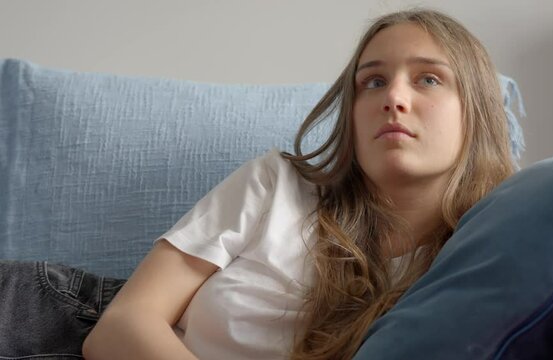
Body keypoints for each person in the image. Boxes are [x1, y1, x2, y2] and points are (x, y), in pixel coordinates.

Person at [1, 8, 515, 360]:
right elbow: (121, 326)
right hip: (49, 320)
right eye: (372, 81)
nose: (394, 97)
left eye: (428, 78)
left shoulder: (482, 257)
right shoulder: (281, 183)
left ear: (477, 110)